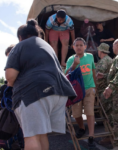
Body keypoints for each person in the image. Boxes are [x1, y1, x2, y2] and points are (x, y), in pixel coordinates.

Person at [5, 20, 76, 150]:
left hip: (33, 93)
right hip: (57, 93)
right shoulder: (47, 46)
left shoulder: (20, 46)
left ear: (20, 37)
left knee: (31, 136)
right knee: (41, 134)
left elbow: (10, 77)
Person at [65, 37, 97, 149]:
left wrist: (95, 86)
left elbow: (93, 70)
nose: (79, 47)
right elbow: (66, 75)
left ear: (85, 47)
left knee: (89, 111)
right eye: (76, 45)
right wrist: (74, 65)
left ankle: (91, 136)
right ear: (73, 47)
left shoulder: (90, 56)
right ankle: (82, 128)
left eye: (80, 45)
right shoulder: (70, 59)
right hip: (76, 90)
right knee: (76, 114)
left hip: (89, 87)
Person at [95, 43, 113, 145]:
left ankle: (108, 137)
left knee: (106, 116)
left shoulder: (103, 61)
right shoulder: (110, 60)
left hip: (104, 92)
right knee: (110, 114)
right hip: (110, 90)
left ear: (101, 51)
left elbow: (99, 77)